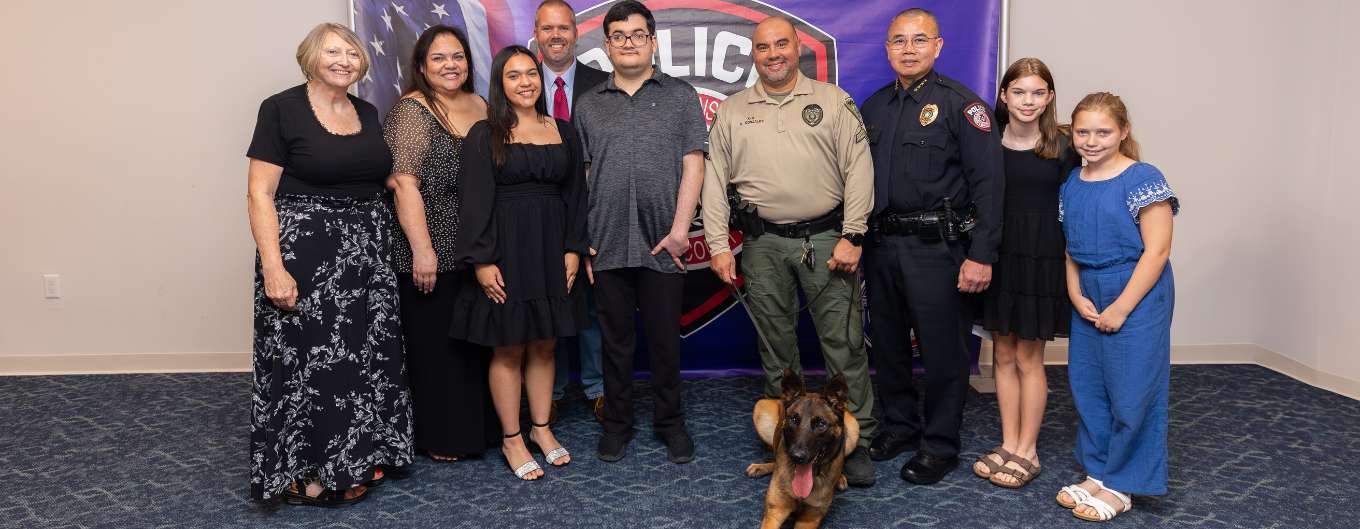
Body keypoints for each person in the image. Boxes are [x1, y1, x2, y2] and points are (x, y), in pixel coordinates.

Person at [701, 16, 876, 486]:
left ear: (798, 47)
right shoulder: (734, 111)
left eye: (782, 44)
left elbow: (859, 168)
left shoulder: (832, 101)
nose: (773, 53)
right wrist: (718, 244)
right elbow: (714, 181)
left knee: (843, 345)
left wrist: (854, 233)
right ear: (752, 54)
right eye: (763, 47)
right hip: (761, 244)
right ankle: (789, 440)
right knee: (776, 347)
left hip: (827, 239)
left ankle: (857, 439)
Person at [245, 22, 411, 506]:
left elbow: (376, 178)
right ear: (311, 57)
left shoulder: (366, 110)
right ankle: (309, 474)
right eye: (333, 52)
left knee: (366, 358)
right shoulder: (281, 109)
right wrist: (273, 267)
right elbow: (260, 193)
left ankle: (361, 456)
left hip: (368, 254)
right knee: (313, 365)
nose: (344, 61)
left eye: (352, 54)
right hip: (307, 258)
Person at [859, 8, 1004, 485]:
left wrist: (981, 254)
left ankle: (940, 444)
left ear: (937, 47)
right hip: (882, 246)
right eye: (898, 41)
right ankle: (901, 426)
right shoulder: (874, 107)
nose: (908, 49)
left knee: (943, 352)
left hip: (938, 248)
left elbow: (989, 185)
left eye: (919, 40)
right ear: (887, 49)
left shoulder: (963, 106)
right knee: (890, 346)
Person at [573, 0, 707, 464]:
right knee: (614, 342)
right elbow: (584, 174)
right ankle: (617, 424)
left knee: (666, 341)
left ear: (652, 41)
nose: (628, 43)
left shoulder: (680, 96)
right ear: (607, 46)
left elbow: (695, 163)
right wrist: (584, 237)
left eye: (637, 34)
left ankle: (671, 424)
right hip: (607, 240)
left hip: (663, 241)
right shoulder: (588, 106)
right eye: (618, 36)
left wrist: (679, 231)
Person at [451, 45, 589, 481]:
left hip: (551, 249)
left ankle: (542, 429)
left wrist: (573, 248)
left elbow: (576, 196)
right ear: (500, 83)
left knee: (546, 342)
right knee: (509, 346)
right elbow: (473, 202)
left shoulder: (563, 130)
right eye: (514, 76)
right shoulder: (484, 133)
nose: (526, 82)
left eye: (531, 73)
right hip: (505, 251)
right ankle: (512, 439)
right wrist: (482, 260)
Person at [1054, 92, 1177, 522]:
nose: (1091, 141)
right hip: (1088, 288)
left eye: (1103, 132)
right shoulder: (1072, 181)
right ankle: (1099, 470)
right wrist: (1074, 293)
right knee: (1088, 387)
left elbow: (1157, 250)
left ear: (1123, 132)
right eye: (1083, 132)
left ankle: (1124, 483)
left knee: (1132, 389)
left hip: (1135, 288)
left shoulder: (1143, 178)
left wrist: (1123, 307)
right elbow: (1070, 248)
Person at [385, 25, 498, 464]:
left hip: (475, 247)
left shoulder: (481, 105)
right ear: (421, 65)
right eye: (439, 58)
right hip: (432, 247)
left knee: (475, 344)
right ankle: (442, 435)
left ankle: (480, 428)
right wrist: (423, 250)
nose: (450, 65)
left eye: (458, 57)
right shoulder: (412, 111)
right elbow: (404, 185)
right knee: (437, 348)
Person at [973, 58, 1080, 488]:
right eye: (1019, 92)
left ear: (1050, 97)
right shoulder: (987, 143)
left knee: (1029, 357)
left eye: (1038, 93)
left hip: (1042, 258)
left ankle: (1027, 449)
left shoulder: (1065, 146)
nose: (1028, 101)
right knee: (1001, 353)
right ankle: (1008, 441)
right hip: (999, 255)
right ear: (1004, 96)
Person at [533, 0, 610, 425]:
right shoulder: (519, 83)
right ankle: (554, 390)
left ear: (576, 32)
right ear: (536, 33)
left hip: (595, 211)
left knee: (593, 304)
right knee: (547, 301)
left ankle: (598, 388)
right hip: (538, 216)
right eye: (548, 28)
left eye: (563, 27)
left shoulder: (603, 83)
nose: (556, 35)